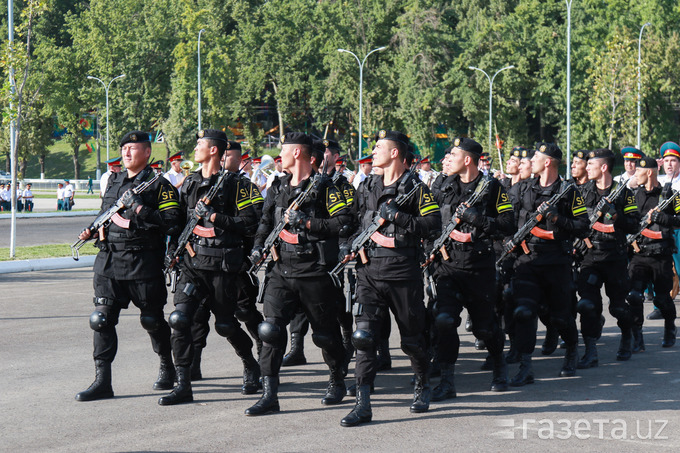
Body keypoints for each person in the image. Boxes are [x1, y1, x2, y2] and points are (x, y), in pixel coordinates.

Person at [245, 132, 353, 416]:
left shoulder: (325, 188)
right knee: (269, 330)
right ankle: (270, 395)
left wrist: (305, 221)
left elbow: (343, 223)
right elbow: (266, 220)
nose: (279, 154)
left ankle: (336, 379)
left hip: (315, 270)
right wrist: (258, 247)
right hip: (281, 270)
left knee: (325, 336)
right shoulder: (278, 186)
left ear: (298, 154)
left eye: (284, 149)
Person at [340, 130, 441, 427]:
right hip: (368, 271)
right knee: (364, 337)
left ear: (395, 153)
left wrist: (398, 217)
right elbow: (353, 221)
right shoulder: (368, 184)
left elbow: (433, 224)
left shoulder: (416, 188)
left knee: (412, 339)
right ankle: (363, 403)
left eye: (379, 147)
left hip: (401, 272)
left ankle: (422, 385)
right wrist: (347, 244)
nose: (374, 151)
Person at [75, 131, 181, 402]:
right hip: (109, 262)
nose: (126, 153)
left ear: (147, 152)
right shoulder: (114, 180)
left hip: (143, 263)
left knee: (152, 320)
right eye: (124, 148)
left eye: (132, 148)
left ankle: (167, 366)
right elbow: (105, 212)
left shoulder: (159, 184)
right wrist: (91, 228)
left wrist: (139, 210)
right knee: (100, 320)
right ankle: (102, 381)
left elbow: (171, 223)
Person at [159, 130, 263, 405]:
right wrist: (172, 250)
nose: (195, 148)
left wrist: (216, 217)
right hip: (193, 264)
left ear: (214, 150)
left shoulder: (237, 185)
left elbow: (251, 223)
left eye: (200, 144)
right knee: (180, 320)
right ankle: (183, 384)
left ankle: (251, 364)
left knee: (226, 325)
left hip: (222, 266)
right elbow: (180, 221)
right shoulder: (190, 182)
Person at [428, 138, 515, 402]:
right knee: (443, 320)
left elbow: (508, 223)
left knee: (485, 328)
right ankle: (446, 380)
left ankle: (499, 365)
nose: (448, 159)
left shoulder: (491, 187)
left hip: (479, 267)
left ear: (468, 159)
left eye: (453, 154)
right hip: (447, 265)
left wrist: (479, 220)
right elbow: (430, 221)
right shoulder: (441, 185)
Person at [508, 143, 588, 386]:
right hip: (527, 261)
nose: (531, 160)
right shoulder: (522, 189)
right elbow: (507, 220)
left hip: (556, 262)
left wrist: (557, 217)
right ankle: (525, 365)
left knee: (562, 318)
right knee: (523, 312)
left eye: (536, 157)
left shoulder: (569, 192)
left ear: (548, 162)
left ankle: (572, 351)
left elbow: (583, 226)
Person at [575, 148, 640, 368]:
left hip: (615, 256)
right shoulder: (582, 192)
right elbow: (575, 223)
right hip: (590, 257)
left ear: (604, 167)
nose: (587, 168)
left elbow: (634, 225)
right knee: (587, 305)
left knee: (618, 307)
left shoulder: (624, 193)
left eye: (591, 164)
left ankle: (627, 336)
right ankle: (590, 350)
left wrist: (615, 215)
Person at [627, 155, 677, 350]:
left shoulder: (670, 195)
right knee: (633, 295)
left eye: (638, 172)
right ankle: (637, 335)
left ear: (649, 173)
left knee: (662, 298)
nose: (635, 175)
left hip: (660, 254)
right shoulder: (633, 196)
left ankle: (669, 327)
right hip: (639, 254)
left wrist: (662, 218)